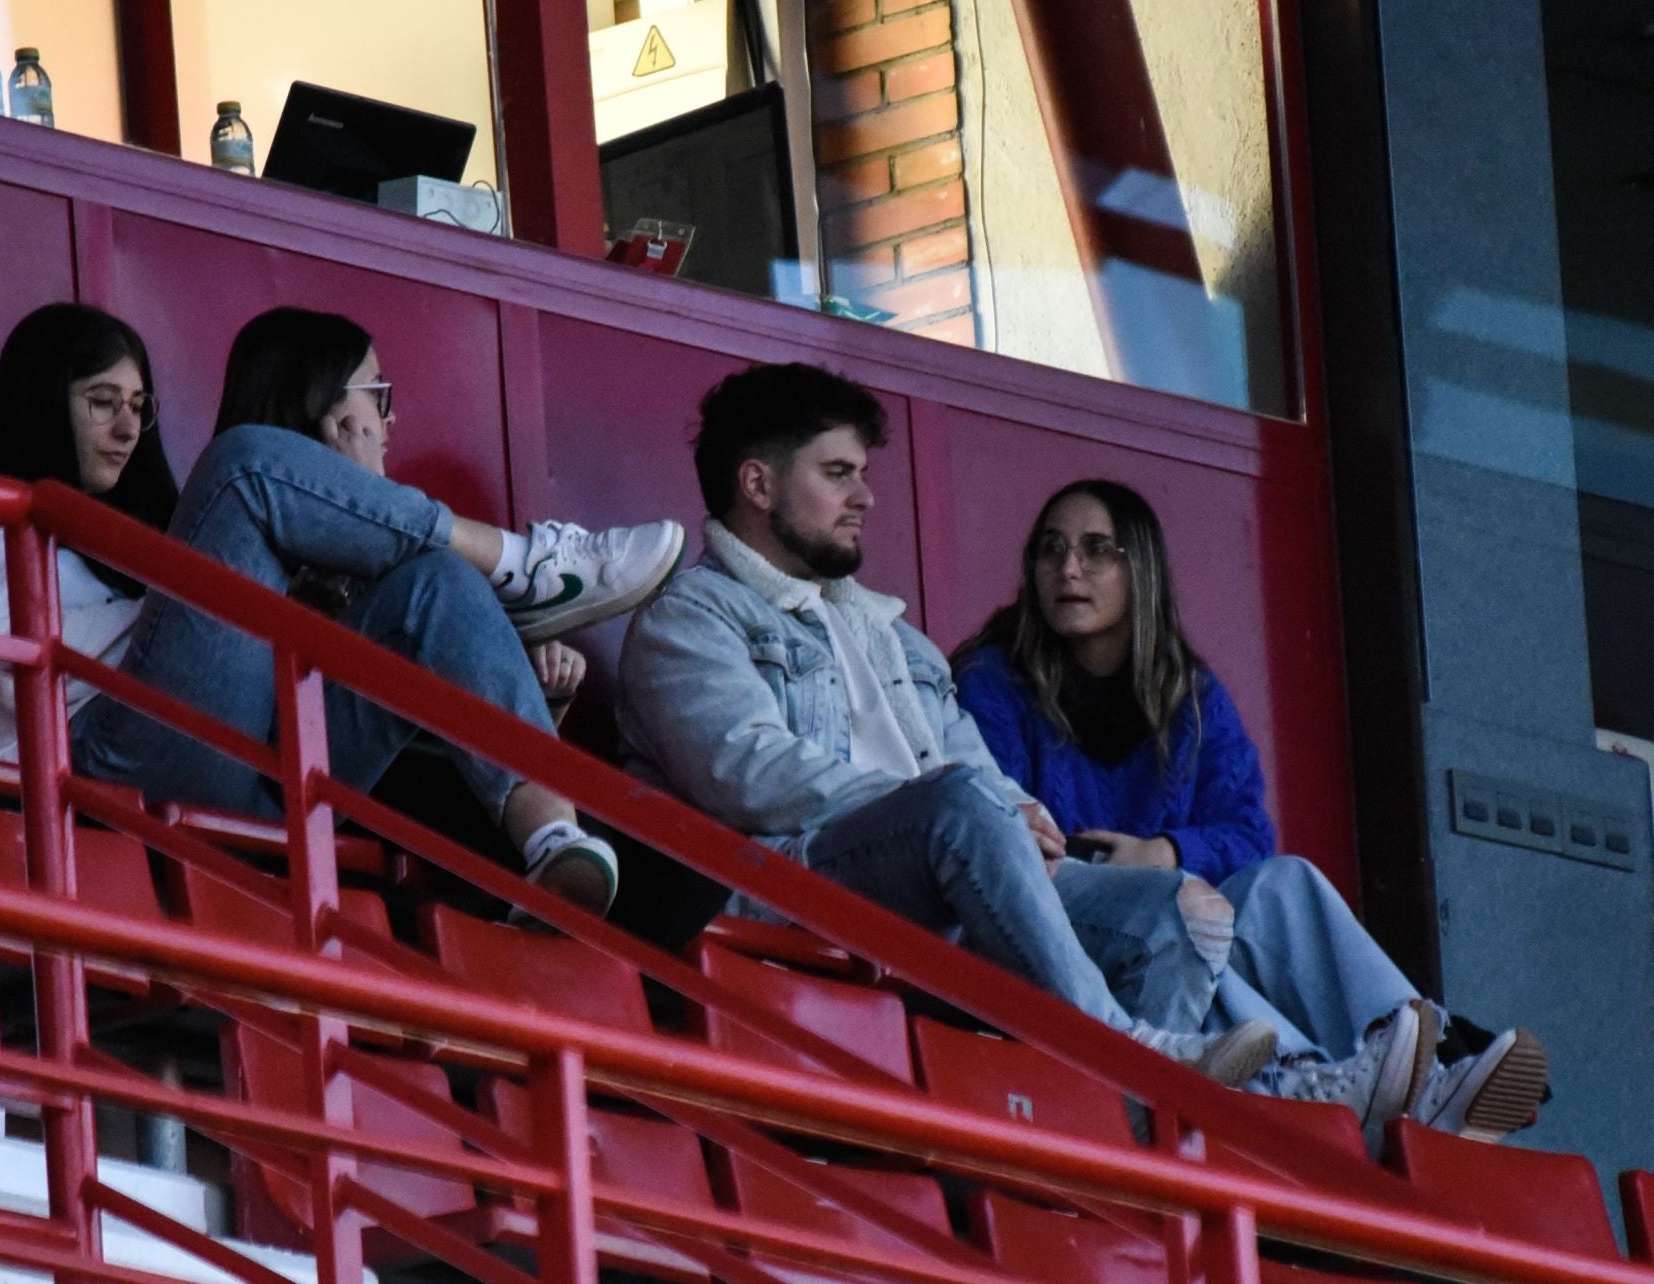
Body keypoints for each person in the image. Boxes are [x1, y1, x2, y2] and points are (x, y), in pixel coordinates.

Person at [617, 362, 1284, 1086]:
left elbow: (975, 772)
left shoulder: (893, 636)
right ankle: (1132, 1061)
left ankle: (1123, 1153)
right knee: (961, 804)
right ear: (758, 485)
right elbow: (747, 773)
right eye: (838, 473)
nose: (865, 496)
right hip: (789, 878)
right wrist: (950, 807)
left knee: (1179, 910)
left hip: (948, 862)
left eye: (861, 474)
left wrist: (1018, 814)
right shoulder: (690, 619)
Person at [0, 302, 685, 914]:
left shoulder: (148, 527)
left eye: (140, 406)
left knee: (436, 586)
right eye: (100, 401)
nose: (127, 428)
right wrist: (201, 601)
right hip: (97, 773)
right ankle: (522, 561)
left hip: (265, 783)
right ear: (44, 403)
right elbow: (17, 669)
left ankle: (550, 835)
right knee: (244, 464)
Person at [952, 478, 1549, 1145]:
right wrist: (1143, 874)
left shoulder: (1189, 695)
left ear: (1140, 569)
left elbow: (1248, 834)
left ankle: (1421, 1059)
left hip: (1182, 922)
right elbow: (1000, 829)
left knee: (1282, 881)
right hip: (1067, 936)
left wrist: (1168, 852)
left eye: (1097, 550)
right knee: (1186, 914)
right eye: (1051, 550)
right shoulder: (992, 683)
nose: (1068, 569)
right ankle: (1341, 1080)